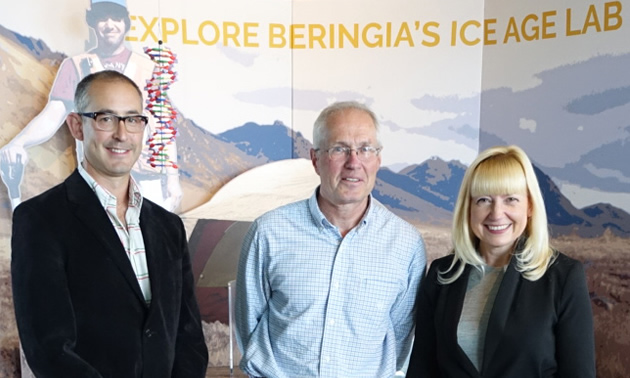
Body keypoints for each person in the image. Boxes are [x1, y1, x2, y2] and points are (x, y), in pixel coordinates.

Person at [11, 70, 208, 378]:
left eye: (132, 119)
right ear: (77, 126)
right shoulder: (39, 219)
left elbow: (189, 336)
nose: (121, 134)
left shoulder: (168, 226)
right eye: (106, 118)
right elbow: (49, 349)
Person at [235, 101, 427, 377]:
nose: (354, 162)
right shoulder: (269, 232)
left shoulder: (405, 245)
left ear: (378, 159)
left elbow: (399, 336)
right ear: (315, 159)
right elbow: (248, 324)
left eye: (365, 149)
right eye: (339, 149)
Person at [406, 145, 595, 377]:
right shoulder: (441, 274)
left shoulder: (563, 277)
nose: (496, 213)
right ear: (469, 209)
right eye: (484, 200)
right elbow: (422, 369)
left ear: (529, 206)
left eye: (510, 199)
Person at [0, 0, 181, 212]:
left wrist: (172, 178)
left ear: (126, 22)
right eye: (103, 17)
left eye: (115, 17)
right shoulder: (76, 66)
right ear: (93, 22)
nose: (110, 24)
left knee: (149, 243)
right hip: (97, 182)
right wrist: (19, 142)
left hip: (147, 181)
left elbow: (164, 129)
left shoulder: (148, 69)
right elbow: (53, 115)